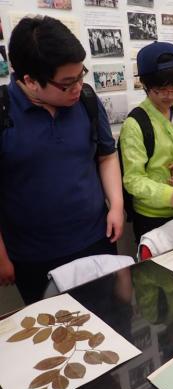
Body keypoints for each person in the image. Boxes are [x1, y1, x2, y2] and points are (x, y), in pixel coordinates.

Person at [0, 16, 123, 304]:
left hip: (97, 240)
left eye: (81, 75)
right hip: (34, 257)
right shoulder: (4, 111)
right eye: (67, 83)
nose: (78, 87)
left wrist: (116, 205)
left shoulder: (87, 101)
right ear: (29, 80)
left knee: (115, 323)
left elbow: (106, 156)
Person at [119, 41, 173, 241]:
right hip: (152, 217)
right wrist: (168, 194)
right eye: (161, 90)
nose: (170, 95)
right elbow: (133, 179)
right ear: (145, 85)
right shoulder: (136, 124)